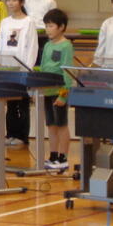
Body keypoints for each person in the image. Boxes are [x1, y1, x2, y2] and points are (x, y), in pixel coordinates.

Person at [0, 0, 39, 147]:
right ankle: (10, 134)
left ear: (21, 2)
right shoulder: (5, 22)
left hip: (22, 69)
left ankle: (22, 137)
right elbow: (1, 45)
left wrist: (27, 69)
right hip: (7, 69)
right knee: (10, 104)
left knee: (22, 104)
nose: (11, 3)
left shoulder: (28, 22)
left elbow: (32, 46)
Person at [40, 9, 74, 171]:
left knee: (61, 125)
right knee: (51, 126)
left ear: (61, 27)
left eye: (51, 26)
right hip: (47, 91)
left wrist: (63, 95)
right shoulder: (47, 45)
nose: (48, 29)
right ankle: (53, 156)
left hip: (59, 92)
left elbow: (67, 72)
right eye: (46, 26)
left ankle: (63, 158)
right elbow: (43, 67)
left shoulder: (66, 46)